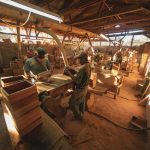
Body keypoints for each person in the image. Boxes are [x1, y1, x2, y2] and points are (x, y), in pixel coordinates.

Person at [64, 52, 91, 120]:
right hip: (85, 87)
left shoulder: (83, 69)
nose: (78, 61)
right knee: (81, 101)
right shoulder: (88, 65)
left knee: (72, 104)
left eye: (79, 59)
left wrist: (69, 73)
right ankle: (81, 112)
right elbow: (81, 75)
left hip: (80, 89)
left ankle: (79, 116)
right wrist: (76, 71)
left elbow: (76, 80)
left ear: (83, 59)